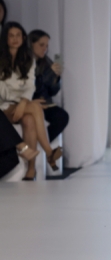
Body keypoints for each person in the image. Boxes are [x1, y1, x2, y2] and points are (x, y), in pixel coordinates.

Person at [0, 22, 62, 179]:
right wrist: (23, 101)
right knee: (35, 108)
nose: (15, 39)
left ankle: (31, 170)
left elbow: (30, 85)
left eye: (18, 35)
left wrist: (23, 102)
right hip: (3, 106)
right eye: (11, 36)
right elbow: (3, 91)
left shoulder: (28, 59)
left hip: (21, 104)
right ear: (5, 38)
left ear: (23, 38)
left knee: (29, 120)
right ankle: (49, 152)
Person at [29, 30, 69, 142]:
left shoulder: (46, 62)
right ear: (31, 44)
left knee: (62, 117)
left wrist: (56, 78)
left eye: (46, 46)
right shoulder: (24, 62)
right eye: (41, 45)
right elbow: (33, 88)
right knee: (60, 117)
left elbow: (52, 92)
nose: (45, 49)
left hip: (45, 102)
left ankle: (41, 143)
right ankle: (41, 145)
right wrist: (49, 73)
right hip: (31, 102)